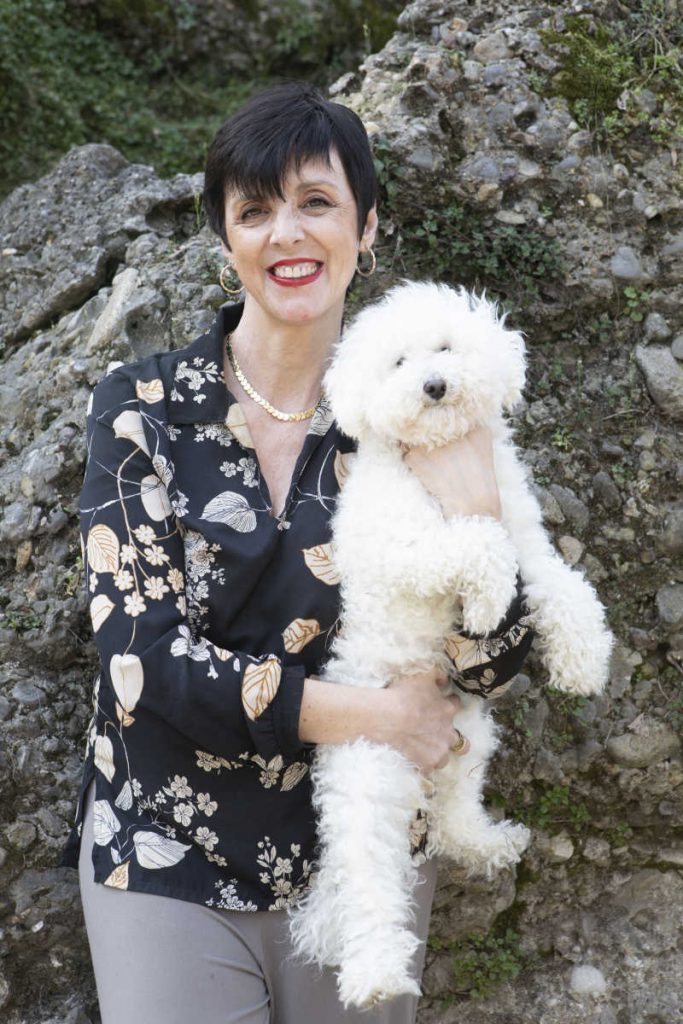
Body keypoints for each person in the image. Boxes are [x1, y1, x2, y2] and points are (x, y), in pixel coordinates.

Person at [59, 81, 534, 1024]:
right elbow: (140, 665)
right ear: (224, 236)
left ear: (367, 230)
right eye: (255, 210)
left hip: (360, 856)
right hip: (162, 851)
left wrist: (480, 511)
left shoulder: (415, 411)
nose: (287, 234)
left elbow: (494, 657)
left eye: (316, 203)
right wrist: (380, 714)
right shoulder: (142, 408)